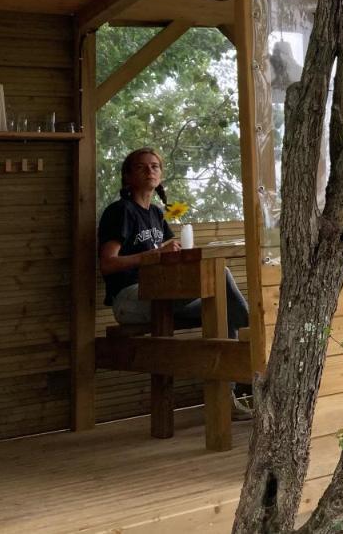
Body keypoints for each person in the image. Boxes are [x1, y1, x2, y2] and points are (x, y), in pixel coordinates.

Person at [98, 146, 253, 418]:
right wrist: (155, 254)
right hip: (130, 300)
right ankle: (253, 333)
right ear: (127, 177)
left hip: (162, 294)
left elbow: (169, 252)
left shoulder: (158, 214)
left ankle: (226, 400)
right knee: (222, 277)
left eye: (155, 166)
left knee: (223, 307)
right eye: (142, 167)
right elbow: (108, 263)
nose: (150, 171)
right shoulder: (120, 211)